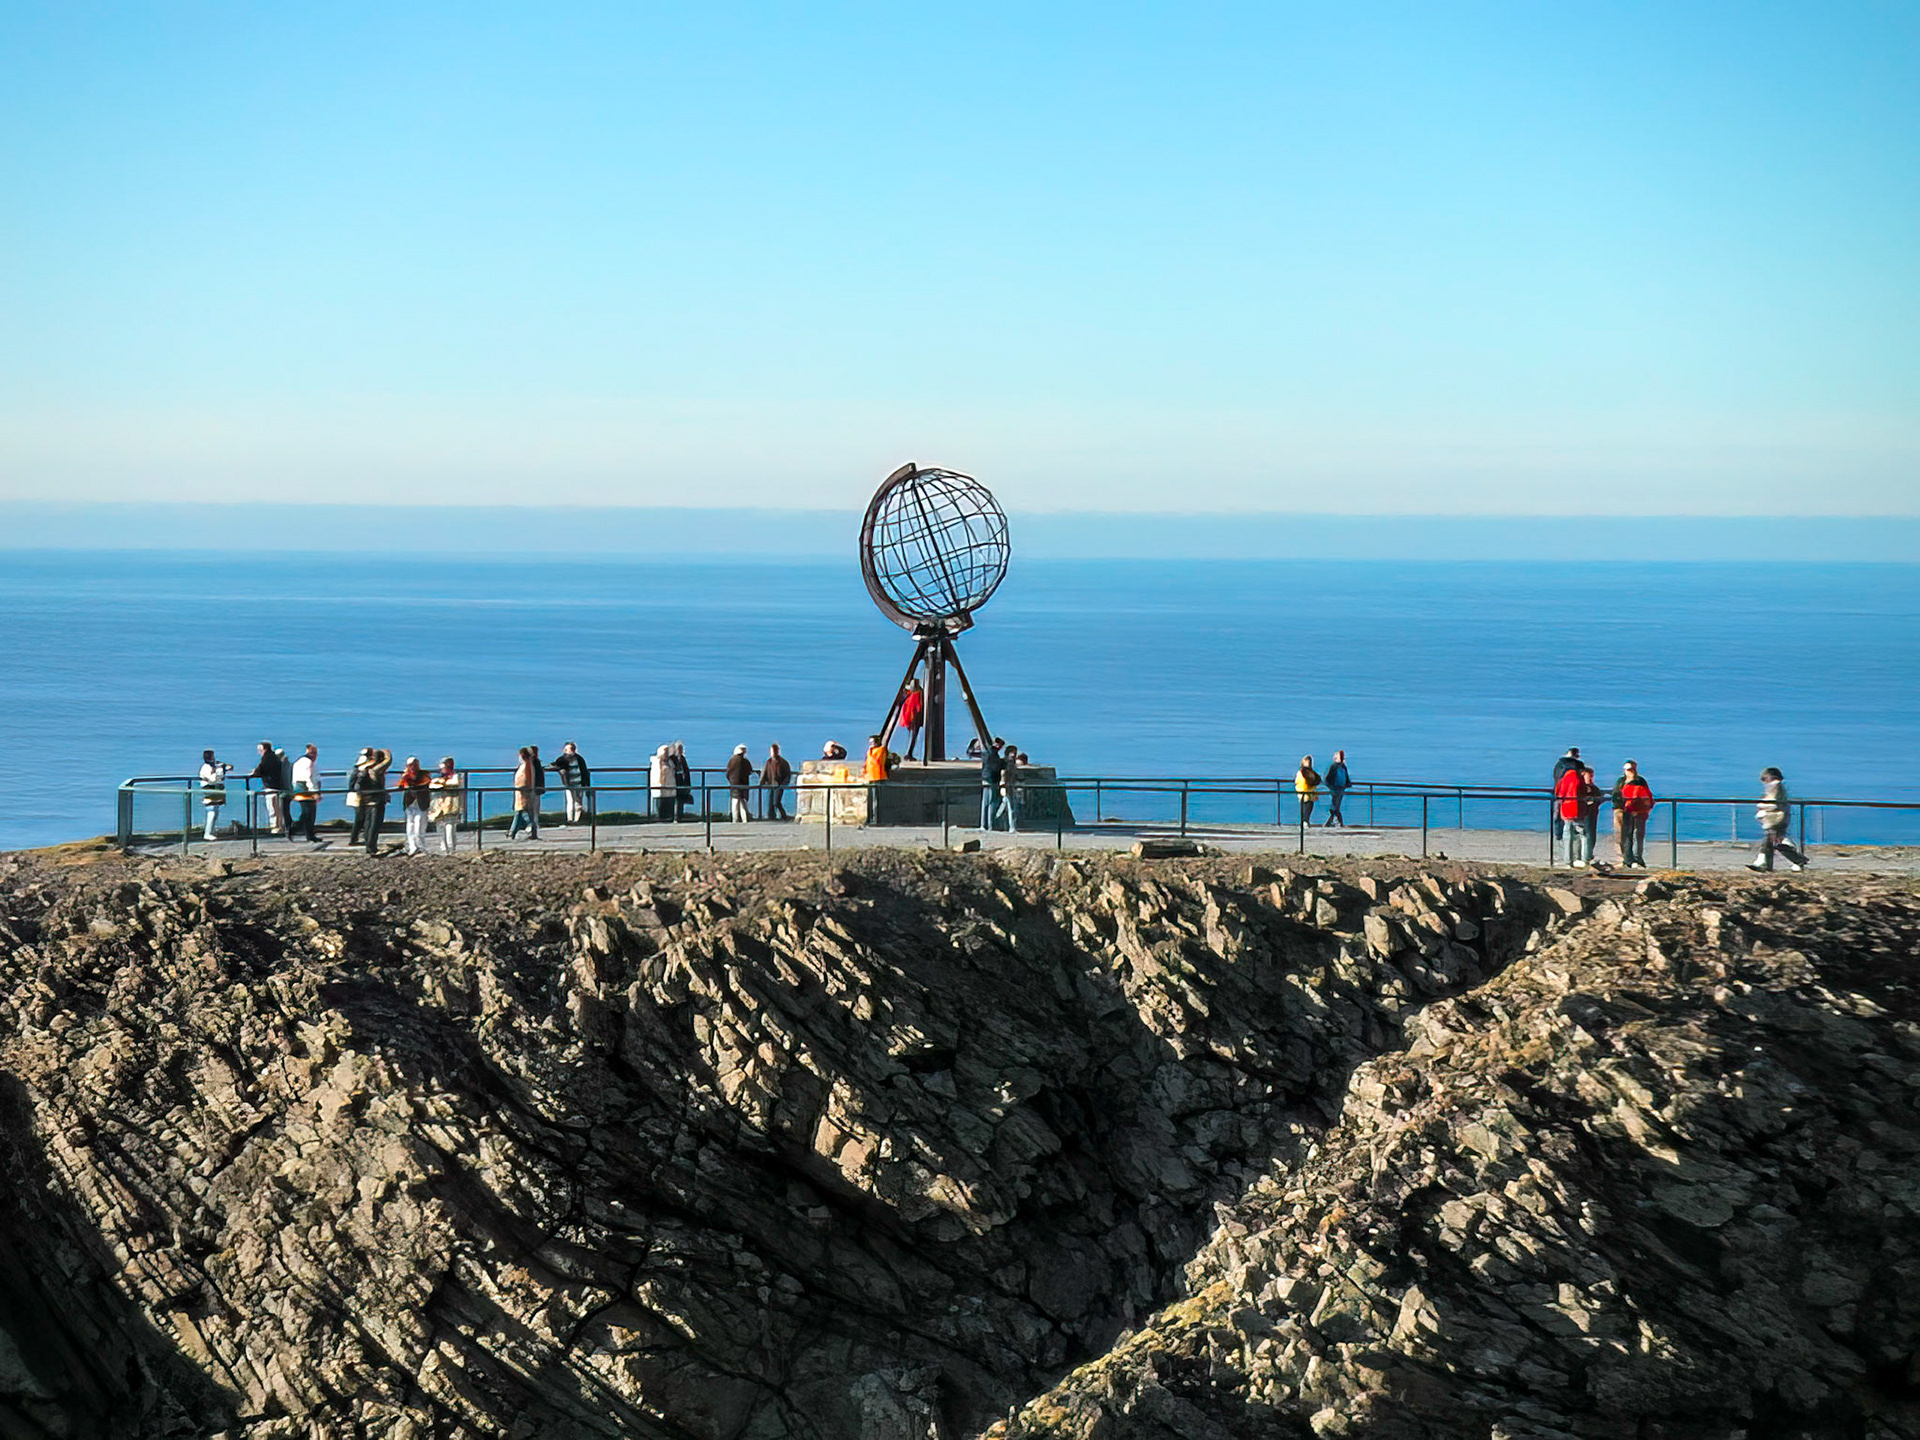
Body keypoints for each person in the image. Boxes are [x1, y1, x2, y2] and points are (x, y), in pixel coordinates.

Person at [1749, 767, 1811, 872]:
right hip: (1775, 819)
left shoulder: (1775, 787)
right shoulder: (1777, 788)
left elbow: (1774, 803)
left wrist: (1762, 807)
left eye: (1765, 778)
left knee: (1774, 842)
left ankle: (1797, 860)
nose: (1764, 781)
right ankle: (1765, 864)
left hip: (1776, 819)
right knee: (1771, 842)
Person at [1611, 760, 1654, 868]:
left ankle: (1637, 857)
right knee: (1622, 835)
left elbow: (1647, 797)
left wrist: (1646, 808)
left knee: (1638, 835)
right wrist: (1619, 807)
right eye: (1628, 770)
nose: (1630, 772)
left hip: (1638, 812)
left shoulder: (1640, 781)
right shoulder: (1621, 781)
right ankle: (1625, 858)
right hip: (1622, 811)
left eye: (1632, 769)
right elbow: (1616, 795)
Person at [358, 748, 392, 856]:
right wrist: (386, 752)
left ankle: (369, 845)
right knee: (374, 824)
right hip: (376, 799)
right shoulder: (375, 770)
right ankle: (372, 846)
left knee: (368, 823)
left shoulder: (364, 768)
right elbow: (389, 760)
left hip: (366, 799)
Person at [250, 741, 288, 836]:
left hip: (271, 786)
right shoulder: (275, 758)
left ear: (264, 749)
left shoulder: (266, 759)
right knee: (279, 809)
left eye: (260, 749)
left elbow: (260, 770)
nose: (259, 752)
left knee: (272, 808)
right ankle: (281, 826)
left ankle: (275, 827)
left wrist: (254, 772)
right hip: (279, 786)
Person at [395, 756, 431, 856]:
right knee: (410, 825)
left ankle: (421, 846)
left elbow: (424, 783)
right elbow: (400, 786)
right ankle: (412, 846)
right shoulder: (406, 776)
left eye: (415, 765)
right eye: (411, 765)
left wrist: (410, 780)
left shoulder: (424, 774)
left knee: (420, 825)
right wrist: (404, 777)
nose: (413, 767)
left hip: (421, 802)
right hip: (410, 802)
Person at [428, 757, 463, 855]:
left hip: (451, 805)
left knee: (450, 827)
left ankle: (451, 848)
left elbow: (455, 784)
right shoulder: (439, 778)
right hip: (439, 805)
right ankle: (444, 847)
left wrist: (443, 783)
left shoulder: (456, 777)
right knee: (440, 827)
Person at [552, 742, 592, 825]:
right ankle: (569, 820)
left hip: (579, 783)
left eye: (570, 749)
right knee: (570, 801)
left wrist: (586, 784)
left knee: (578, 802)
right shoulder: (563, 759)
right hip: (569, 784)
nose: (569, 752)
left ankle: (577, 820)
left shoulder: (579, 759)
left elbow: (584, 771)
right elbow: (557, 763)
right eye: (567, 750)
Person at [1555, 762, 1586, 865]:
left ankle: (1568, 859)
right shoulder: (1578, 778)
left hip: (1566, 808)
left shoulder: (1564, 778)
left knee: (1567, 833)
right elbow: (1583, 792)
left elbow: (1559, 793)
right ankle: (1581, 858)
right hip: (1577, 808)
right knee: (1581, 833)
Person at [288, 744, 321, 843]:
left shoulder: (298, 762)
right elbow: (309, 777)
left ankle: (308, 833)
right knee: (308, 813)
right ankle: (296, 830)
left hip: (299, 787)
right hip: (306, 789)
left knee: (306, 812)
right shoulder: (308, 762)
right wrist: (314, 791)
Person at [1551, 746, 1583, 843]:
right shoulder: (1577, 765)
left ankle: (1558, 834)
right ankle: (1565, 834)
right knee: (1571, 817)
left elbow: (1555, 777)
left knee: (1557, 814)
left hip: (1559, 792)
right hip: (1572, 795)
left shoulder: (1559, 764)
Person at [508, 747, 540, 840]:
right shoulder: (527, 765)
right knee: (520, 813)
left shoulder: (527, 766)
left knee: (522, 812)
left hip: (524, 792)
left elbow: (525, 779)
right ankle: (512, 832)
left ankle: (530, 827)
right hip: (522, 792)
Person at [198, 750, 232, 841]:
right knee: (211, 811)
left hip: (217, 789)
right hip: (209, 789)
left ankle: (212, 831)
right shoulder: (205, 767)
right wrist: (218, 771)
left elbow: (229, 767)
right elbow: (212, 779)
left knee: (215, 811)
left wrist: (223, 767)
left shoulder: (216, 765)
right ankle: (208, 832)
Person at [346, 748, 374, 846]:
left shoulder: (357, 766)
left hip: (356, 794)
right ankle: (363, 837)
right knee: (363, 817)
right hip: (360, 795)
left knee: (360, 818)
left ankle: (356, 838)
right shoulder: (363, 768)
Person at [897, 679, 925, 762]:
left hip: (909, 719)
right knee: (913, 736)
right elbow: (918, 707)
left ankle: (909, 752)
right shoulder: (916, 695)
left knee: (912, 736)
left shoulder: (907, 695)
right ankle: (909, 753)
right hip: (915, 718)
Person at [979, 738, 1004, 831]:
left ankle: (983, 824)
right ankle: (990, 824)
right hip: (991, 780)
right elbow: (995, 767)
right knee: (991, 803)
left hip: (985, 778)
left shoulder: (986, 752)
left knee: (985, 803)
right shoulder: (993, 754)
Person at [762, 743, 791, 820]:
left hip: (779, 785)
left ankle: (784, 816)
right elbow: (764, 773)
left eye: (775, 751)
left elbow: (787, 775)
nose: (773, 753)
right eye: (772, 751)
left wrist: (783, 784)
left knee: (776, 802)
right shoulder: (769, 762)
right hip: (771, 784)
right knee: (770, 803)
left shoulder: (783, 762)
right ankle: (771, 817)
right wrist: (761, 783)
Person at [725, 745, 754, 823]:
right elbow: (750, 771)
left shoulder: (732, 760)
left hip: (734, 785)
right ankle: (745, 820)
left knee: (735, 804)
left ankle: (735, 820)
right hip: (744, 785)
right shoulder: (746, 761)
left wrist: (730, 781)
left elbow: (728, 773)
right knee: (743, 803)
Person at [1323, 750, 1351, 827]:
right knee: (1335, 806)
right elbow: (1328, 778)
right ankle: (1336, 822)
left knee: (1335, 806)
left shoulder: (1340, 766)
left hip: (1338, 788)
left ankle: (1333, 822)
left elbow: (1328, 778)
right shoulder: (1336, 766)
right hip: (1336, 788)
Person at [650, 745, 676, 821]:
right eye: (665, 752)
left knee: (669, 805)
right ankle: (660, 818)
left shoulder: (670, 762)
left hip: (670, 787)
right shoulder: (657, 763)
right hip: (660, 787)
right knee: (661, 805)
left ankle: (669, 818)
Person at [998, 743, 1020, 831]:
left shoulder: (1012, 763)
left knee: (1006, 806)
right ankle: (1012, 827)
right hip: (1006, 787)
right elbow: (1003, 774)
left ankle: (998, 820)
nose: (1013, 754)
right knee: (1011, 807)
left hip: (1011, 787)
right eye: (1011, 752)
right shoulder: (1005, 763)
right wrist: (1003, 785)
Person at [1294, 755, 1321, 826]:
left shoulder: (1310, 772)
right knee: (1306, 808)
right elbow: (1300, 782)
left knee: (1309, 807)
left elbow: (1315, 781)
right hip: (1305, 792)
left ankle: (1306, 821)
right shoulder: (1302, 772)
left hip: (1310, 793)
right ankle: (1304, 821)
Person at [671, 742, 693, 821]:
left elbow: (686, 771)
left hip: (683, 783)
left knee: (681, 801)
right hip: (675, 783)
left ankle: (679, 816)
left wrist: (688, 785)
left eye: (681, 749)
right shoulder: (672, 758)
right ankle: (675, 816)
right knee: (676, 800)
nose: (680, 750)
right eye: (678, 749)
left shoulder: (682, 758)